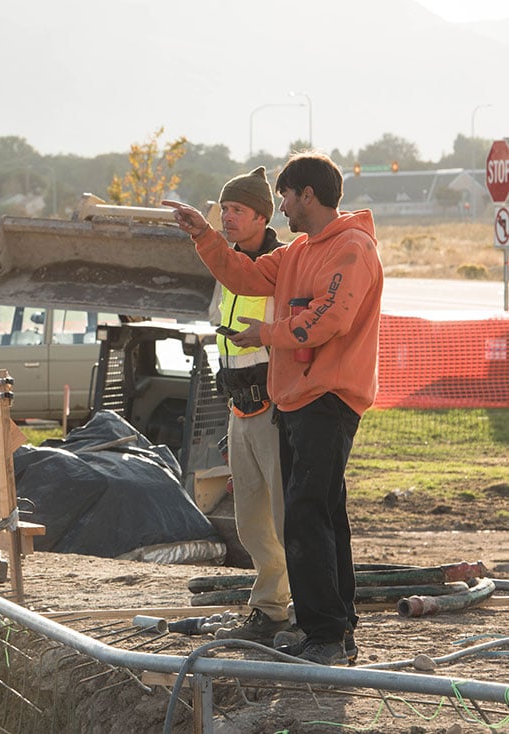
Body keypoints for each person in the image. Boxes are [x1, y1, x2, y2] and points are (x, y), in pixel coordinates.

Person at [163, 152, 383, 666]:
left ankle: (324, 634)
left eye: (285, 196)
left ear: (308, 194)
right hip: (298, 398)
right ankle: (333, 628)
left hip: (328, 398)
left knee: (306, 515)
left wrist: (266, 334)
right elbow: (242, 274)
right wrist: (204, 236)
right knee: (322, 514)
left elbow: (331, 319)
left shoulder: (351, 249)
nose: (281, 205)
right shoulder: (302, 250)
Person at [200, 167, 292, 646]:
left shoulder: (283, 266)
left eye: (236, 210)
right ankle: (271, 607)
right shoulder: (227, 266)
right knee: (251, 519)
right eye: (225, 209)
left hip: (275, 409)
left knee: (288, 514)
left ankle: (298, 606)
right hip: (240, 408)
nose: (227, 218)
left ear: (261, 217)